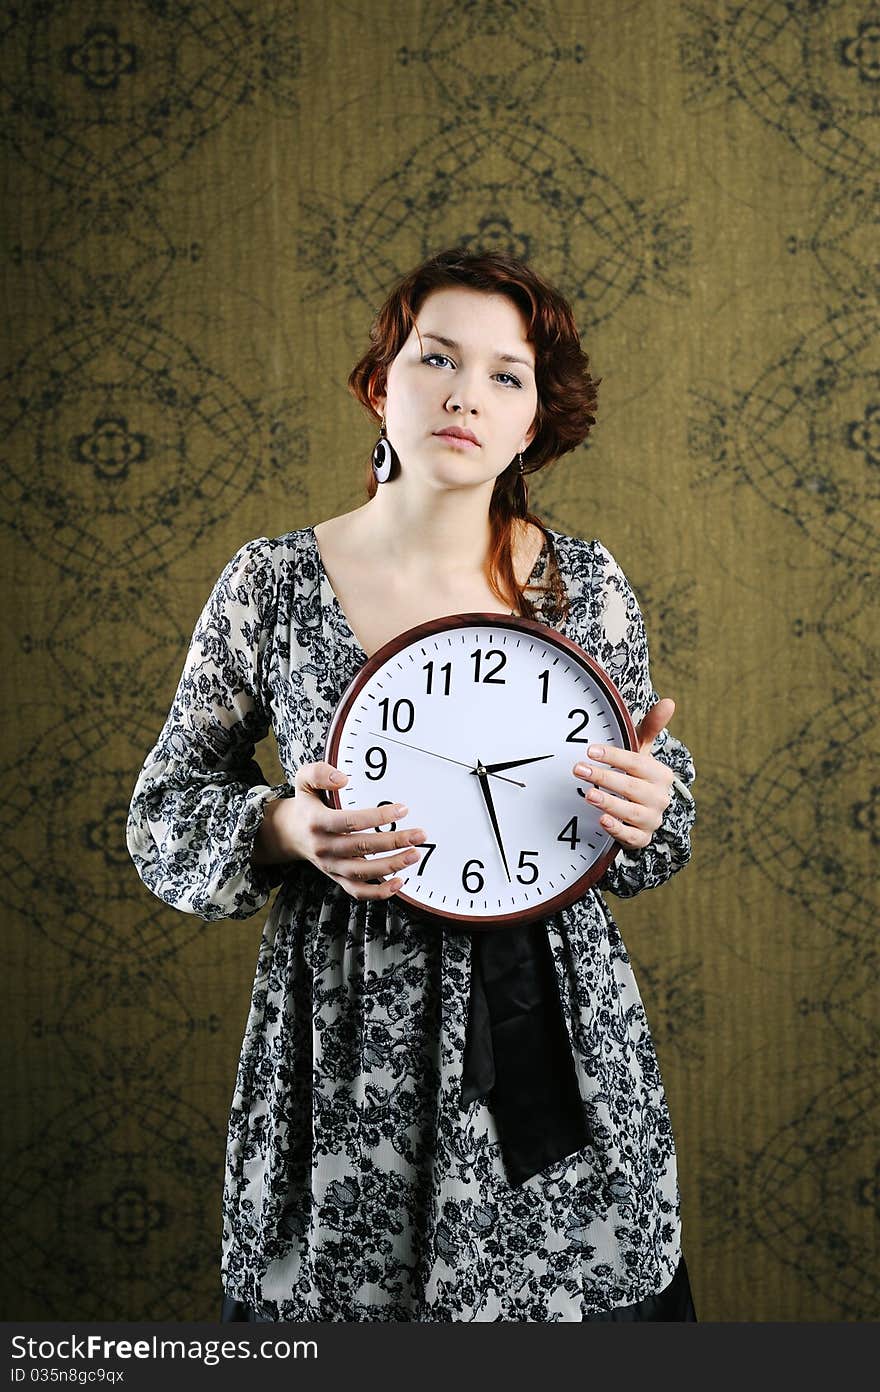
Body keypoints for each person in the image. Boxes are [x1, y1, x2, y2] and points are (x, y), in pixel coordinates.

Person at [126, 248, 698, 1322]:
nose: (462, 395)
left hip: (552, 1024)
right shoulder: (272, 583)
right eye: (435, 358)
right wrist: (286, 827)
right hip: (346, 1033)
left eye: (504, 374)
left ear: (532, 421)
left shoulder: (586, 586)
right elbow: (162, 814)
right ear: (381, 381)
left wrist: (653, 804)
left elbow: (647, 812)